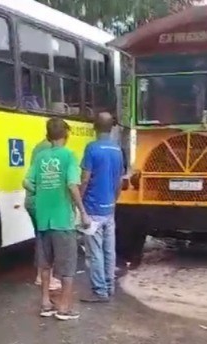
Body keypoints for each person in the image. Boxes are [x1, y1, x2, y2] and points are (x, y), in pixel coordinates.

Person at [25, 118, 90, 320]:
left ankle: (45, 303)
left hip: (43, 219)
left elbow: (26, 181)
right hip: (63, 220)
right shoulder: (69, 156)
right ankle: (64, 307)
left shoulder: (41, 157)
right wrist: (83, 211)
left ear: (48, 135)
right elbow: (72, 185)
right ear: (66, 134)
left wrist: (42, 191)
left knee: (45, 265)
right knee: (68, 266)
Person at [80, 112, 124, 303]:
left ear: (94, 127)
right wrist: (114, 200)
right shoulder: (117, 150)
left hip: (92, 207)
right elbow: (119, 181)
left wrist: (78, 203)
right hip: (109, 208)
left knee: (95, 252)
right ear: (111, 127)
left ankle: (99, 292)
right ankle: (109, 286)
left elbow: (84, 179)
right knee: (109, 250)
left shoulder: (92, 148)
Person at [23, 138, 62, 291]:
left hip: (32, 201)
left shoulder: (39, 146)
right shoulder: (52, 151)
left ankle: (41, 275)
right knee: (47, 240)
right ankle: (44, 277)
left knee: (41, 237)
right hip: (42, 201)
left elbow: (28, 180)